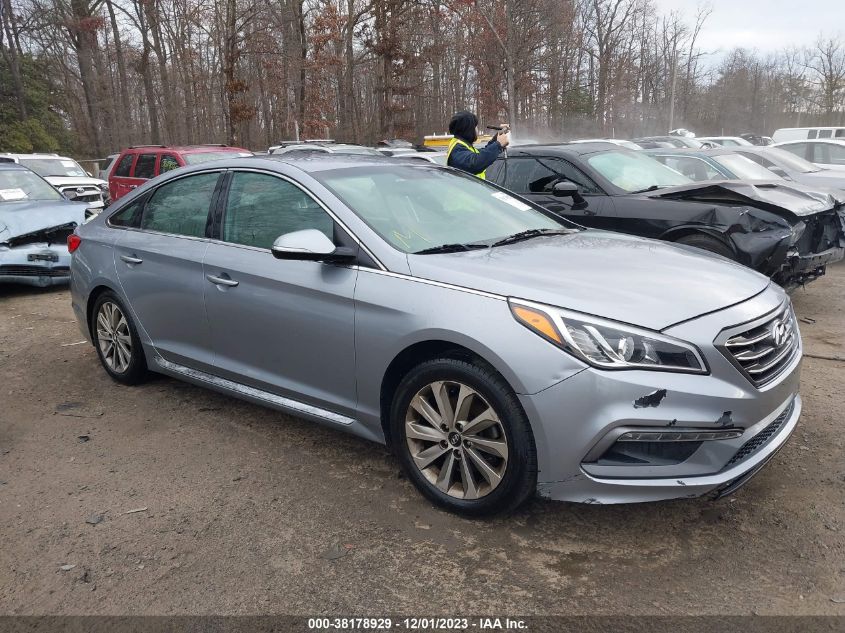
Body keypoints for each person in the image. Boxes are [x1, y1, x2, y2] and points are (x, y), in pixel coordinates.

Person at [446, 111, 510, 179]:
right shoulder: (458, 149)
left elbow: (482, 153)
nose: (477, 129)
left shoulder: (463, 146)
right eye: (475, 127)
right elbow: (475, 163)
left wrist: (498, 136)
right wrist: (498, 145)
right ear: (468, 129)